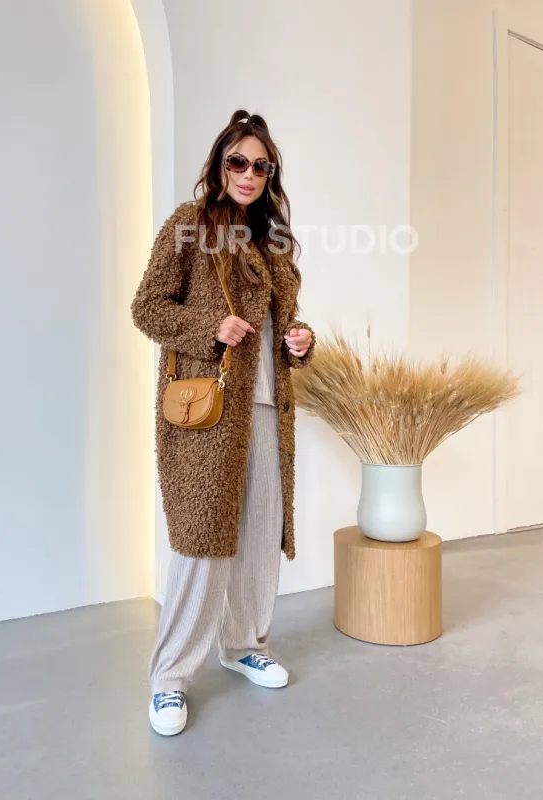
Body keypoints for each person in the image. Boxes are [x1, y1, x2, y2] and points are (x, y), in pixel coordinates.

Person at [130, 109, 316, 736]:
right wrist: (209, 327)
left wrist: (299, 338)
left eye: (261, 165)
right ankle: (169, 677)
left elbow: (286, 318)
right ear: (217, 165)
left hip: (267, 408)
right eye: (238, 161)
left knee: (259, 534)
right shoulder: (189, 226)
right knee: (203, 542)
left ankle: (242, 645)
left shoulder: (275, 242)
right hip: (208, 410)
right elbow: (147, 308)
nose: (249, 173)